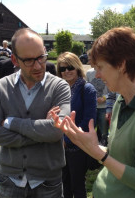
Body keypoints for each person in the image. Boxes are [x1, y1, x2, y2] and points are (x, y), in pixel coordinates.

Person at [52, 27, 135, 198]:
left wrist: (99, 154)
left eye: (101, 67)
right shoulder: (121, 100)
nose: (97, 75)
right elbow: (119, 158)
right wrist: (84, 142)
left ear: (121, 64)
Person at [0, 28, 71, 198]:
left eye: (41, 57)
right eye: (29, 61)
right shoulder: (1, 87)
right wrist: (41, 133)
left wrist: (11, 123)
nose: (38, 66)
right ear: (15, 60)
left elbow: (56, 131)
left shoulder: (59, 87)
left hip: (48, 182)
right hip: (10, 180)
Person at [56, 52, 97, 198]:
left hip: (77, 147)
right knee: (63, 184)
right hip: (58, 145)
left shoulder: (87, 89)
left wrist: (67, 140)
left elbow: (89, 122)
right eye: (62, 69)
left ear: (77, 67)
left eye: (70, 67)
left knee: (77, 186)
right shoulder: (58, 90)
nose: (66, 71)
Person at [86, 49, 109, 145]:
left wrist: (103, 98)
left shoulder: (107, 71)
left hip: (104, 107)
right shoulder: (89, 73)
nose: (89, 61)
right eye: (89, 58)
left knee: (104, 131)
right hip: (93, 107)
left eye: (91, 59)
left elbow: (113, 92)